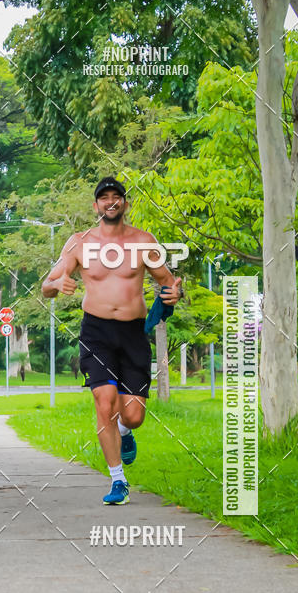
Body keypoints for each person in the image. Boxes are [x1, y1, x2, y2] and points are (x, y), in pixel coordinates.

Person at [41, 176, 182, 506]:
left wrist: (175, 293)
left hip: (133, 332)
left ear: (124, 203)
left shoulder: (144, 242)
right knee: (104, 403)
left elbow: (167, 282)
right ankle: (118, 480)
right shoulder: (79, 243)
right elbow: (46, 285)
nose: (110, 201)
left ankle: (125, 430)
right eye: (103, 197)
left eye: (116, 196)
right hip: (96, 332)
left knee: (132, 415)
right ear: (96, 206)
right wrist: (58, 285)